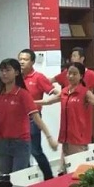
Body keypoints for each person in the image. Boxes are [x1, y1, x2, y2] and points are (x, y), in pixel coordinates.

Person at [0, 58, 57, 174]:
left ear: (16, 72)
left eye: (8, 70)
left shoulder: (23, 94)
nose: (4, 74)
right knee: (5, 176)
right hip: (4, 142)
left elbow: (36, 117)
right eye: (2, 71)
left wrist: (49, 137)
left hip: (21, 143)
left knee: (17, 177)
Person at [18, 49, 59, 180]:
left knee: (35, 150)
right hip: (18, 120)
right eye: (20, 59)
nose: (22, 62)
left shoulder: (38, 77)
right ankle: (25, 179)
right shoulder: (16, 78)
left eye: (25, 59)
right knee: (22, 152)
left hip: (33, 119)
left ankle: (49, 177)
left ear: (32, 62)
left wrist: (40, 102)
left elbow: (57, 94)